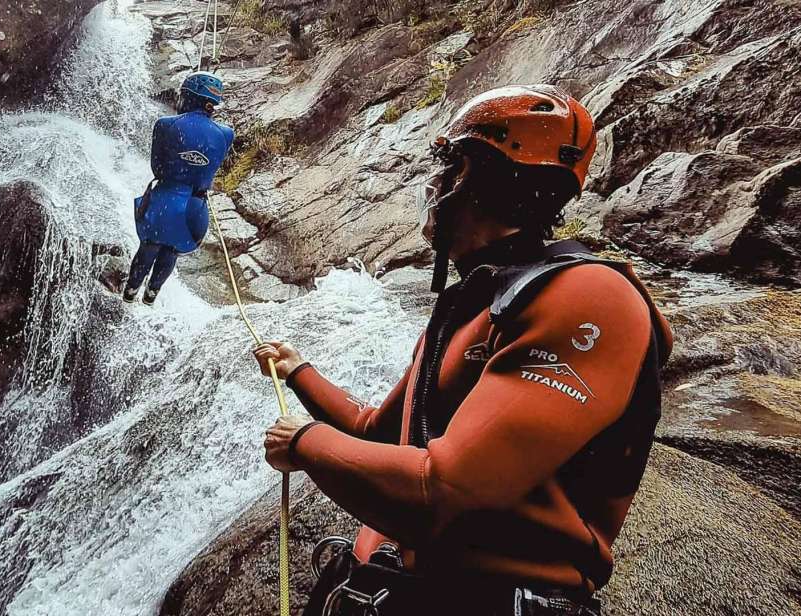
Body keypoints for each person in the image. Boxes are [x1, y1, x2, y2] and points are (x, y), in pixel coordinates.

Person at [253, 85, 673, 615]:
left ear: (473, 177)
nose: (432, 184)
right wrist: (298, 372)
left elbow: (445, 492)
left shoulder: (588, 297)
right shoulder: (478, 303)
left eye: (446, 166)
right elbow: (378, 433)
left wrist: (305, 444)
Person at [126, 71, 235, 305]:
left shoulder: (165, 125)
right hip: (195, 209)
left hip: (165, 200)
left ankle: (131, 290)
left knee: (150, 244)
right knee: (172, 249)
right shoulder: (226, 133)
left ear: (188, 97)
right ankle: (152, 293)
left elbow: (157, 167)